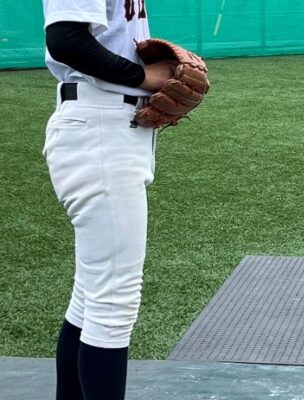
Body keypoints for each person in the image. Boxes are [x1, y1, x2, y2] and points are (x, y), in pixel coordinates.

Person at [42, 1, 174, 399]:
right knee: (113, 305)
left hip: (110, 123)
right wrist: (143, 76)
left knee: (91, 298)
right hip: (98, 124)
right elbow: (65, 39)